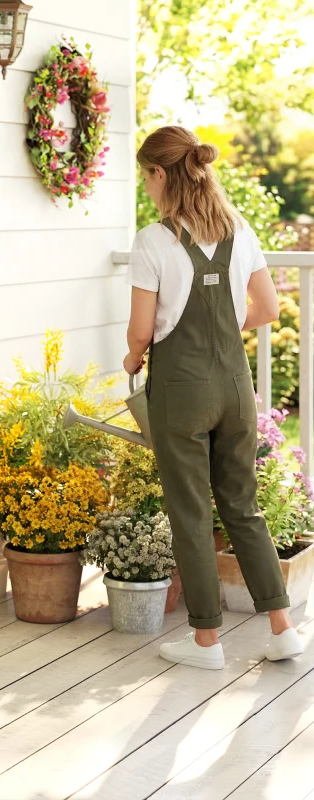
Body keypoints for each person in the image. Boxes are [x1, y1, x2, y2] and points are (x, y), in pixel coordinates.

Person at [123, 125, 303, 670]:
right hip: (236, 389)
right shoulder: (238, 230)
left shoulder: (153, 241)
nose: (146, 190)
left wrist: (133, 359)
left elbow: (141, 329)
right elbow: (268, 309)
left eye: (146, 178)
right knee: (243, 508)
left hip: (182, 392)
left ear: (160, 174)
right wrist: (225, 320)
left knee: (191, 512)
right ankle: (282, 629)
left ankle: (206, 642)